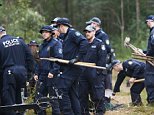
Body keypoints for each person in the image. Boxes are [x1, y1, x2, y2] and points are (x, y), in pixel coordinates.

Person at [56, 17, 88, 115]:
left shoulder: (73, 33)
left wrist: (77, 58)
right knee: (72, 92)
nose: (58, 29)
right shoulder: (65, 36)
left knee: (61, 89)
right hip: (68, 67)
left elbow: (84, 43)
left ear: (61, 26)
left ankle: (68, 112)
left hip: (74, 67)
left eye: (58, 27)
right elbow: (68, 53)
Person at [0, 26, 34, 115]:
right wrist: (29, 72)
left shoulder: (0, 43)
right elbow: (30, 57)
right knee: (19, 96)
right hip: (22, 72)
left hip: (9, 72)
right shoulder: (20, 41)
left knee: (8, 99)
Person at [86, 17, 115, 108]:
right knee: (100, 84)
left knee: (107, 83)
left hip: (105, 63)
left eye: (91, 23)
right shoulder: (91, 34)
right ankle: (101, 100)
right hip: (96, 63)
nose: (89, 25)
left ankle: (107, 101)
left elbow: (108, 49)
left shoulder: (103, 35)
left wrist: (107, 64)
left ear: (96, 24)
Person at [34, 25, 62, 115]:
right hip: (42, 75)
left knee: (53, 99)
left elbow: (58, 59)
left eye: (46, 32)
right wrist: (36, 73)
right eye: (43, 32)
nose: (44, 34)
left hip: (52, 75)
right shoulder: (42, 45)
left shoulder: (56, 43)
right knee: (39, 98)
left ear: (51, 33)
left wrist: (53, 71)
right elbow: (40, 61)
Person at [79, 25, 107, 115]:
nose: (87, 33)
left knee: (97, 94)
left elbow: (102, 59)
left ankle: (99, 112)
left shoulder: (99, 43)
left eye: (89, 32)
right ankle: (84, 112)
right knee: (82, 94)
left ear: (94, 32)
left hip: (95, 72)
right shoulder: (84, 44)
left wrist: (98, 72)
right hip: (84, 73)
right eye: (86, 32)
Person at [144, 15, 154, 105]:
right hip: (151, 57)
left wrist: (148, 54)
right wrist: (144, 52)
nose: (147, 24)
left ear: (149, 21)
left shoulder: (153, 31)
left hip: (151, 60)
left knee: (150, 80)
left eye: (147, 22)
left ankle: (152, 101)